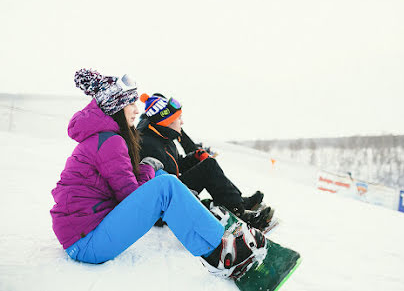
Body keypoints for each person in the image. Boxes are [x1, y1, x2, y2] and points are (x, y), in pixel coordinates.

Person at [49, 69, 266, 278]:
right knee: (166, 185)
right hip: (86, 243)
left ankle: (213, 239)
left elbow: (128, 190)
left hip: (84, 237)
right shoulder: (110, 141)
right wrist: (148, 168)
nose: (136, 110)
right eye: (130, 103)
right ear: (116, 106)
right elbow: (130, 196)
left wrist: (150, 170)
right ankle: (220, 251)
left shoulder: (106, 137)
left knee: (162, 179)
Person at [136, 93, 273, 231]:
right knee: (209, 167)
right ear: (168, 121)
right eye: (179, 119)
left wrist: (195, 157)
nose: (182, 123)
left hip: (174, 191)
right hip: (166, 206)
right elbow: (159, 186)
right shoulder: (149, 144)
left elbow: (175, 165)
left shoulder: (163, 137)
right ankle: (238, 211)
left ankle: (238, 203)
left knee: (207, 163)